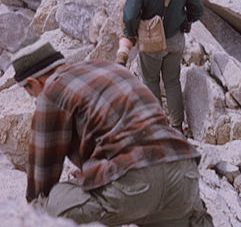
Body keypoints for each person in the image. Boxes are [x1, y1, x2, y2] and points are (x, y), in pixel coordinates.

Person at [12, 38, 213, 226]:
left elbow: (42, 175)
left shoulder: (52, 91)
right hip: (184, 174)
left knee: (46, 208)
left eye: (30, 92)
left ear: (33, 82)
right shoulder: (107, 67)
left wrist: (34, 209)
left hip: (136, 183)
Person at [122, 0, 204, 130]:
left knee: (150, 81)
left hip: (151, 42)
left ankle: (159, 127)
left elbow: (129, 15)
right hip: (176, 39)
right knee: (172, 81)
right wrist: (185, 21)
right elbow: (198, 9)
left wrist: (132, 33)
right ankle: (177, 127)